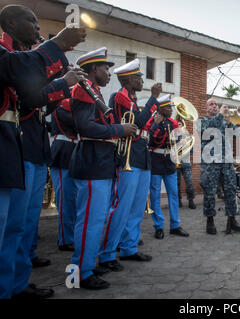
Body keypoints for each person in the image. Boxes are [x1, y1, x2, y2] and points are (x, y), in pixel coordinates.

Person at [0, 5, 86, 299]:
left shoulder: (19, 57)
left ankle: (15, 284)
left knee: (19, 227)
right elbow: (21, 79)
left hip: (28, 146)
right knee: (8, 227)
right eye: (32, 23)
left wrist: (62, 82)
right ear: (10, 22)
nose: (38, 30)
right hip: (14, 146)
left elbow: (37, 99)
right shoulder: (6, 54)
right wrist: (57, 46)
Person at [69, 47, 137, 290]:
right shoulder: (83, 89)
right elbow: (85, 127)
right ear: (93, 69)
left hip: (100, 161)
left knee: (95, 219)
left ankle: (86, 265)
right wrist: (119, 129)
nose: (109, 72)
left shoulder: (94, 91)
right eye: (105, 68)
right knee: (88, 221)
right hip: (91, 161)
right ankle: (79, 275)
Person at [98, 59, 160, 271]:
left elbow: (146, 126)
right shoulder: (119, 97)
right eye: (138, 77)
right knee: (122, 206)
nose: (141, 80)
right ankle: (107, 253)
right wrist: (153, 98)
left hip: (141, 154)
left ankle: (129, 247)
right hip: (129, 155)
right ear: (128, 80)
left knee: (136, 207)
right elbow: (137, 123)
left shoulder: (133, 99)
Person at [196, 99, 240, 235]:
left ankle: (232, 219)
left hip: (226, 162)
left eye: (216, 104)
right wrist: (221, 116)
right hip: (210, 163)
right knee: (210, 193)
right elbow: (207, 132)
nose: (214, 106)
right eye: (211, 104)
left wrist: (229, 122)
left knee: (230, 191)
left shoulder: (224, 121)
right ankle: (210, 221)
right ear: (206, 108)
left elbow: (238, 134)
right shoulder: (201, 121)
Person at [148, 96, 189, 240]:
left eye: (171, 108)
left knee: (173, 193)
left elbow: (179, 140)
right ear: (160, 109)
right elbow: (148, 140)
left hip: (169, 161)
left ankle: (175, 225)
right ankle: (158, 226)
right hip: (155, 160)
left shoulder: (173, 122)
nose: (171, 110)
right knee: (155, 195)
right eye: (168, 108)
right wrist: (155, 125)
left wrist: (181, 139)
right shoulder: (152, 120)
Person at [49, 98, 78, 252]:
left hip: (74, 151)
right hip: (63, 152)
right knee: (65, 200)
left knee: (73, 200)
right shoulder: (61, 106)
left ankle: (71, 235)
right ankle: (66, 239)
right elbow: (78, 122)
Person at [176, 115, 196, 210]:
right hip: (176, 162)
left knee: (189, 182)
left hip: (186, 162)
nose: (179, 125)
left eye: (180, 124)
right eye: (177, 124)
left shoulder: (187, 136)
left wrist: (186, 147)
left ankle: (191, 201)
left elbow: (192, 150)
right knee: (177, 183)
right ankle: (178, 200)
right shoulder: (173, 136)